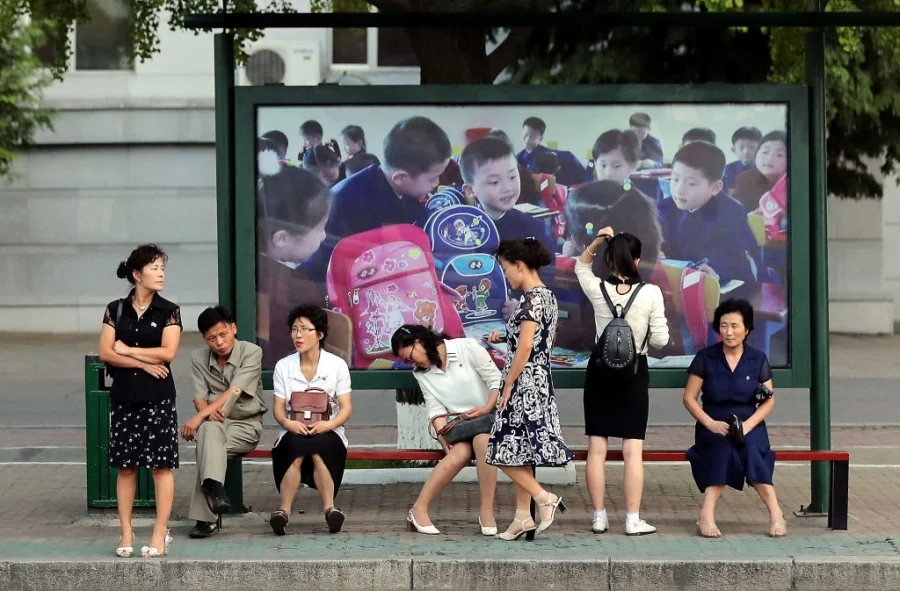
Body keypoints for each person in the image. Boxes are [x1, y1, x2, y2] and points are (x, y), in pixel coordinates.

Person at [575, 230, 669, 536]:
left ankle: (599, 517)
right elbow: (661, 339)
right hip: (634, 373)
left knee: (596, 449)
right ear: (638, 259)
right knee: (633, 451)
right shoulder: (651, 293)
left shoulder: (597, 288)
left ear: (609, 260)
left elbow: (580, 267)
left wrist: (598, 241)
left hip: (600, 372)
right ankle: (632, 519)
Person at [484, 238, 573, 540]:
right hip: (538, 380)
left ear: (520, 266)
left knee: (499, 450)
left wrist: (507, 383)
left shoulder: (531, 299)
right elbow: (533, 339)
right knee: (521, 451)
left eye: (507, 270)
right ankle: (523, 517)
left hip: (524, 383)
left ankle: (543, 498)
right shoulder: (546, 297)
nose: (507, 277)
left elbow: (525, 347)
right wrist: (502, 337)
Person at [98, 244, 183, 558]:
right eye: (155, 268)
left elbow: (168, 352)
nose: (161, 274)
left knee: (161, 467)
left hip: (158, 398)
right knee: (126, 468)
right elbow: (107, 352)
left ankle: (160, 532)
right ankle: (126, 531)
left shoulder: (169, 310)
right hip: (124, 397)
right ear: (137, 274)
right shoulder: (115, 309)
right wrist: (143, 363)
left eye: (163, 268)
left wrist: (129, 350)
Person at [683, 298, 786, 538]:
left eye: (735, 326)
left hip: (750, 424)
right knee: (724, 450)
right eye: (724, 325)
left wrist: (749, 426)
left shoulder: (757, 359)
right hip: (714, 424)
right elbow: (689, 398)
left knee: (751, 452)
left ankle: (776, 515)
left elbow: (769, 399)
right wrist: (709, 423)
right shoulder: (705, 358)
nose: (729, 332)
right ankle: (706, 516)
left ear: (747, 329)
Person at [390, 325, 501, 536]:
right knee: (459, 452)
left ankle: (486, 511)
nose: (412, 364)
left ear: (419, 342)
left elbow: (496, 381)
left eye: (410, 357)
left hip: (488, 418)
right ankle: (418, 509)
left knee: (483, 441)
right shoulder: (422, 374)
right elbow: (435, 409)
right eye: (407, 362)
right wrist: (444, 439)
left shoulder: (467, 347)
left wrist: (486, 408)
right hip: (460, 426)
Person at [181, 305, 266, 539]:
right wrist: (206, 415)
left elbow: (235, 390)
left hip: (245, 425)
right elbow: (199, 396)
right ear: (204, 339)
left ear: (234, 329)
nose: (219, 342)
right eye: (211, 338)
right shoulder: (198, 358)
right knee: (209, 435)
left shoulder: (252, 352)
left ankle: (206, 518)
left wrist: (200, 416)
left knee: (207, 447)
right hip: (214, 425)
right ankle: (216, 490)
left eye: (223, 334)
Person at [269, 304, 353, 536]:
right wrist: (289, 424)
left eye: (305, 329)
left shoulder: (336, 365)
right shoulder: (283, 366)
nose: (298, 335)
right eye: (295, 329)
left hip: (329, 429)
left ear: (320, 334)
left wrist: (329, 424)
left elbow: (346, 409)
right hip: (293, 428)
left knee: (319, 448)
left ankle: (330, 510)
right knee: (295, 446)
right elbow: (278, 410)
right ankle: (283, 512)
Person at [657, 141, 759, 285]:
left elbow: (737, 262)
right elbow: (660, 245)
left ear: (715, 188)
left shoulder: (731, 212)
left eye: (691, 183)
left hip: (722, 287)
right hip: (677, 283)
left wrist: (717, 273)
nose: (679, 190)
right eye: (675, 179)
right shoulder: (665, 206)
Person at [722, 127, 762, 196]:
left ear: (760, 148)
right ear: (733, 150)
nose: (746, 152)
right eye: (741, 147)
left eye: (751, 147)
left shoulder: (763, 169)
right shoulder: (727, 170)